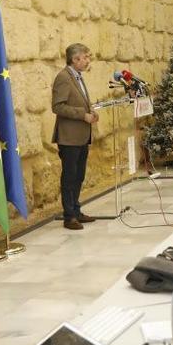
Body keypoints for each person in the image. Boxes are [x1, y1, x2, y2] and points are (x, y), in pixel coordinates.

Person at [52, 43, 99, 230]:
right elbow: (57, 106)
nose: (88, 61)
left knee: (79, 175)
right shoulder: (63, 77)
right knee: (69, 176)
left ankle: (76, 210)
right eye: (85, 57)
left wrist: (91, 112)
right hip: (69, 137)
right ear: (75, 59)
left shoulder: (78, 77)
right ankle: (69, 216)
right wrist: (82, 114)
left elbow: (78, 102)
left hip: (81, 136)